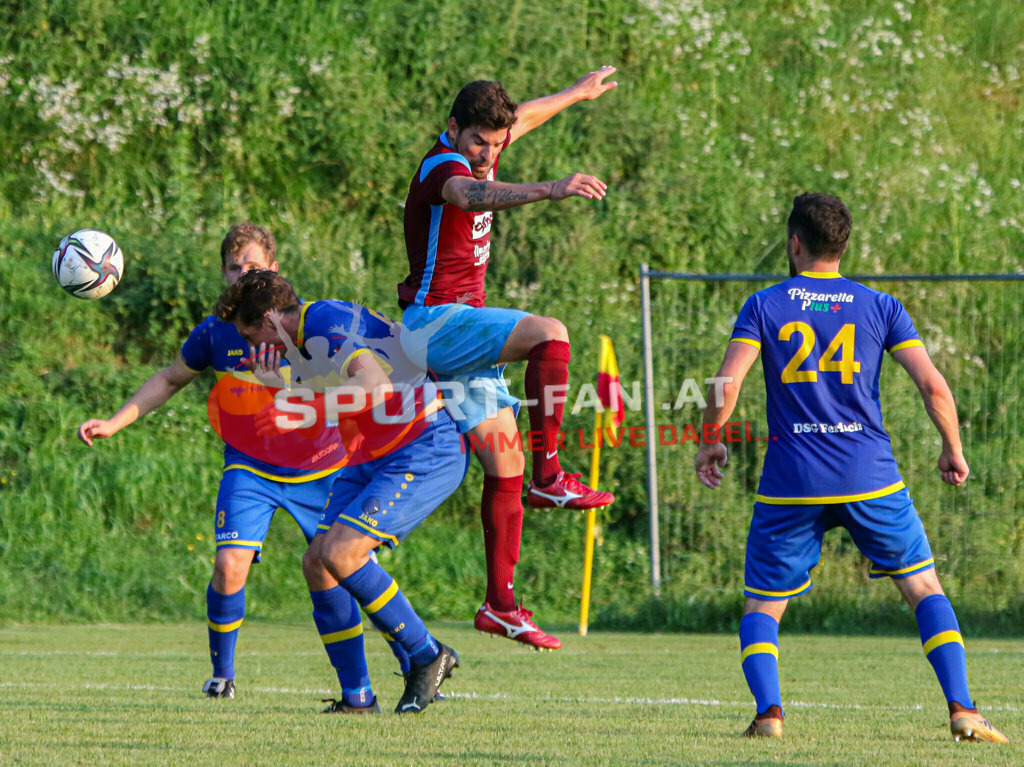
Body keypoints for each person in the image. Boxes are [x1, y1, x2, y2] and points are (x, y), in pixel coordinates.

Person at [694, 193, 1008, 743]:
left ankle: (769, 715)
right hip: (869, 474)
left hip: (792, 480)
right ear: (843, 246)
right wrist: (952, 448)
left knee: (763, 604)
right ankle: (962, 708)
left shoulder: (764, 305)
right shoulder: (880, 305)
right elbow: (932, 386)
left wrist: (710, 440)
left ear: (795, 243)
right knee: (924, 588)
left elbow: (727, 383)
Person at [77, 224, 410, 699]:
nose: (242, 273)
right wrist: (114, 421)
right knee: (229, 564)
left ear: (273, 269)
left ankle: (414, 662)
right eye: (234, 267)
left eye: (252, 265)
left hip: (322, 466)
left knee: (349, 570)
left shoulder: (305, 323)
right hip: (250, 468)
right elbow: (170, 379)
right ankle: (223, 676)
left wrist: (285, 388)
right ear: (223, 273)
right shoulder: (217, 332)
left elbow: (353, 390)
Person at [398, 68, 619, 650]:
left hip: (458, 331)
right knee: (550, 335)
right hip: (435, 323)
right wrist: (550, 188)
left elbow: (526, 117)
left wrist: (576, 93)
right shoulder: (443, 165)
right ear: (453, 128)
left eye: (496, 144)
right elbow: (467, 195)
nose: (488, 154)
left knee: (505, 466)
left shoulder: (485, 145)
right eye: (480, 142)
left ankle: (500, 606)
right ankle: (551, 476)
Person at [215, 269, 466, 713]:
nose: (252, 346)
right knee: (318, 562)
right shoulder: (302, 344)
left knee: (342, 553)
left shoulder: (324, 320)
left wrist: (298, 410)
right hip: (376, 452)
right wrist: (280, 392)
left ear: (270, 319)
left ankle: (427, 655)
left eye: (251, 335)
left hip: (423, 443)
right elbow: (329, 410)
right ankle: (358, 698)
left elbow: (374, 387)